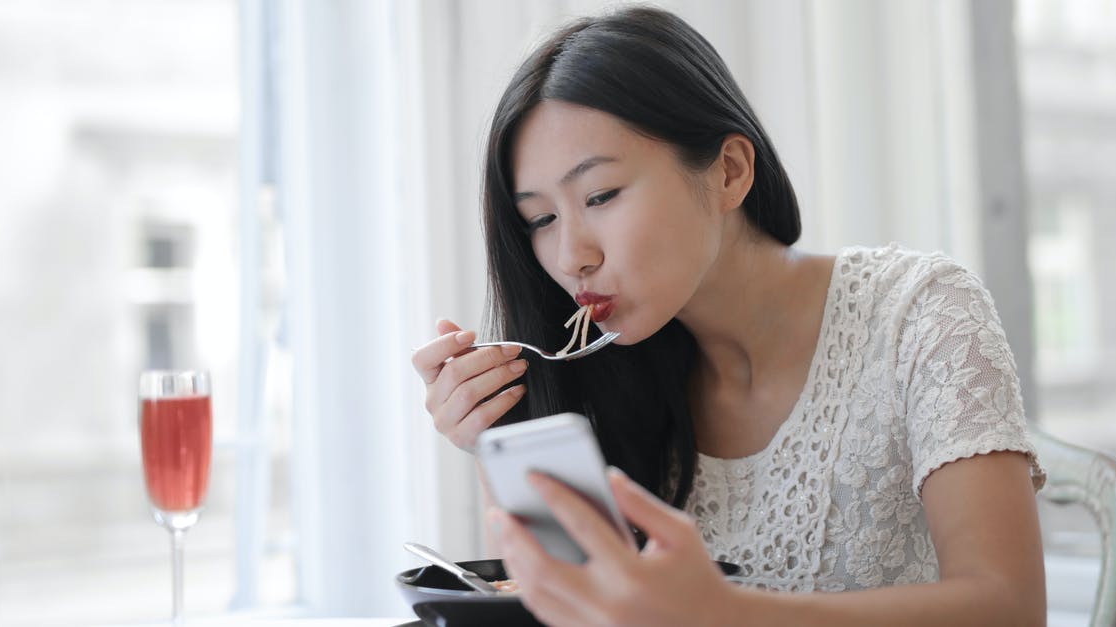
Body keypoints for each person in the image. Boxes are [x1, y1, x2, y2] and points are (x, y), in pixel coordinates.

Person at [411, 6, 1046, 626]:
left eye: (600, 195)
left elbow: (1009, 608)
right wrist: (500, 443)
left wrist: (726, 614)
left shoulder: (920, 313)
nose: (573, 256)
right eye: (541, 220)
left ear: (730, 172)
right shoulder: (608, 379)